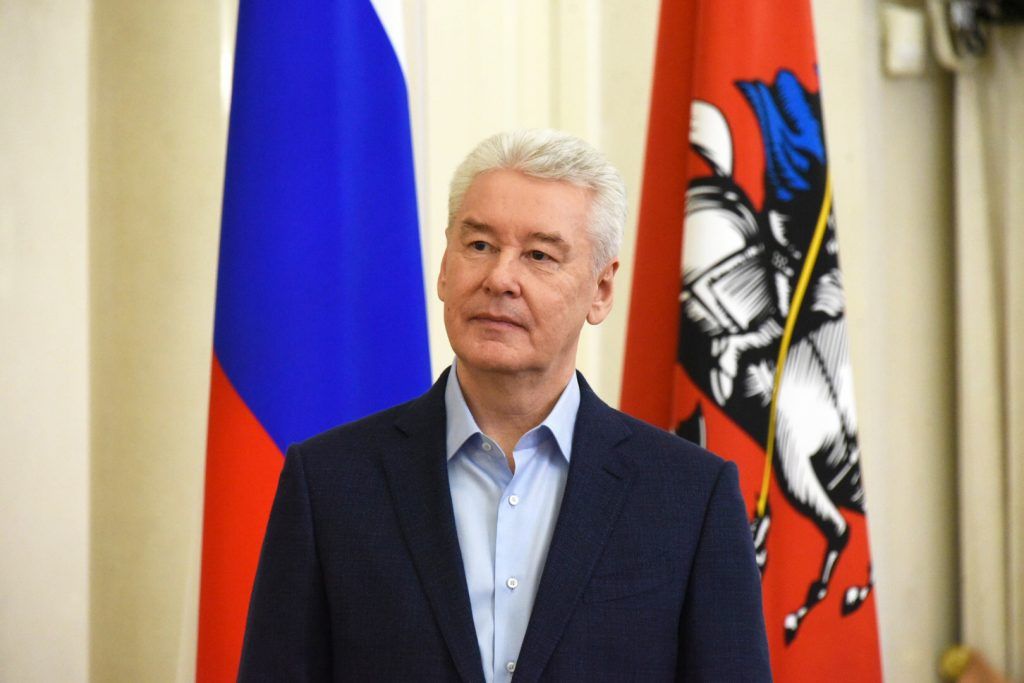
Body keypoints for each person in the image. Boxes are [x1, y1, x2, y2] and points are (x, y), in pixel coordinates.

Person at [238, 129, 771, 682]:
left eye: (539, 255)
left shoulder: (690, 496)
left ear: (601, 290)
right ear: (444, 268)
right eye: (479, 246)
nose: (500, 279)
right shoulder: (329, 482)